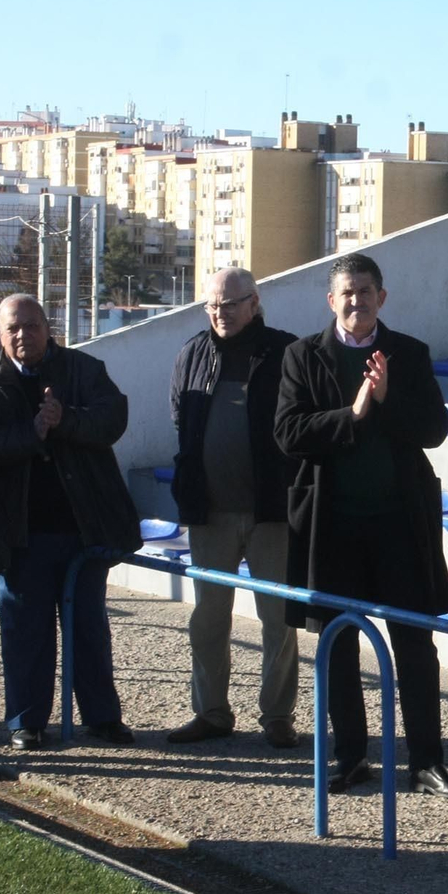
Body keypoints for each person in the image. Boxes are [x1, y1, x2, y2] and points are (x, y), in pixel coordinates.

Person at [274, 253, 448, 802]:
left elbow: (434, 429)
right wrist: (353, 414)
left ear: (382, 298)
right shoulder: (301, 356)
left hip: (399, 524)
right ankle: (350, 755)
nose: (356, 300)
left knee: (414, 643)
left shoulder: (409, 353)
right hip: (331, 526)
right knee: (337, 642)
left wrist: (384, 402)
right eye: (347, 292)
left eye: (366, 291)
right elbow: (289, 433)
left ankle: (427, 762)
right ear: (331, 301)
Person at [0, 295, 141, 751]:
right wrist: (33, 432)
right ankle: (27, 722)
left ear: (48, 326)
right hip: (20, 532)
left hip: (83, 530)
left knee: (89, 628)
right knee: (26, 631)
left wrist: (66, 420)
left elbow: (113, 418)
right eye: (12, 329)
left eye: (31, 325)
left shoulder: (84, 370)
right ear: (0, 335)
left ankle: (102, 719)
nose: (23, 335)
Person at [165, 267, 301, 748]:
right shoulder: (192, 353)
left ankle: (278, 716)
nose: (220, 313)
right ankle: (211, 712)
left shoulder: (286, 351)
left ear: (254, 302)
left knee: (278, 620)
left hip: (271, 512)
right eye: (212, 305)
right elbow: (180, 417)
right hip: (210, 513)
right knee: (208, 618)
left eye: (229, 303)